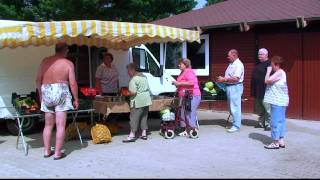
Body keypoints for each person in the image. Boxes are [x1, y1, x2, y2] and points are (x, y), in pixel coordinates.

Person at [36, 43, 79, 160]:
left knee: (48, 125)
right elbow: (73, 83)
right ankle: (57, 153)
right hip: (61, 90)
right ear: (66, 50)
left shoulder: (45, 61)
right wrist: (76, 99)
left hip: (46, 90)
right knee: (60, 125)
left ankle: (46, 151)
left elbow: (37, 80)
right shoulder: (68, 63)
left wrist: (41, 96)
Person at [263, 56, 289, 149]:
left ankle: (275, 142)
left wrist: (268, 71)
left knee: (274, 122)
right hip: (281, 101)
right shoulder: (281, 73)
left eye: (272, 64)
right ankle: (281, 140)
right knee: (281, 121)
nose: (271, 66)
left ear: (276, 64)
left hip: (277, 101)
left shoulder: (279, 72)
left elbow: (267, 80)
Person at [123, 63, 152, 143]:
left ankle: (132, 135)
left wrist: (125, 93)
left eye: (128, 71)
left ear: (132, 70)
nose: (128, 73)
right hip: (146, 100)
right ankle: (144, 133)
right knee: (144, 117)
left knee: (134, 118)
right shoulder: (144, 76)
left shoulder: (133, 79)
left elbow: (133, 92)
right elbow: (148, 88)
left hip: (138, 101)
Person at [217, 49, 244, 133]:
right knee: (231, 107)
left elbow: (236, 78)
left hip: (235, 87)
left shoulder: (238, 64)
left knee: (235, 107)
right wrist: (222, 80)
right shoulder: (232, 63)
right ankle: (235, 122)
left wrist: (224, 79)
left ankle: (236, 125)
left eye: (229, 56)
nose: (227, 57)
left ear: (234, 55)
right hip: (230, 86)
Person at [172, 58, 201, 136]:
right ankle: (187, 130)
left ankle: (193, 130)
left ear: (185, 65)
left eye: (180, 64)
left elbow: (191, 83)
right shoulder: (183, 72)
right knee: (185, 113)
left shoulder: (189, 71)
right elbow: (182, 82)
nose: (178, 65)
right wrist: (176, 84)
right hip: (185, 95)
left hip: (193, 95)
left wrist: (179, 84)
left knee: (190, 112)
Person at [250, 48, 271, 131]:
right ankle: (261, 123)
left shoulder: (269, 64)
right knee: (260, 108)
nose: (259, 56)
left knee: (267, 108)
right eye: (258, 54)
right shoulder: (258, 64)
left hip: (265, 90)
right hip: (258, 90)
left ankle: (268, 124)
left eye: (261, 54)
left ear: (266, 55)